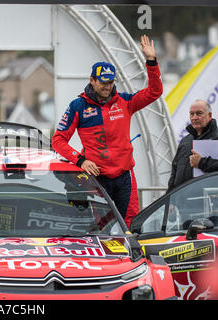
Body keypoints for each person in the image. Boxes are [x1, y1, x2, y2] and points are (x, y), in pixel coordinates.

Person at [51, 35, 163, 227]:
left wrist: (151, 62)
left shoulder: (125, 101)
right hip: (96, 179)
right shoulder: (78, 106)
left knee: (128, 225)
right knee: (99, 227)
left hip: (124, 178)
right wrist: (81, 160)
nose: (107, 86)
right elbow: (58, 140)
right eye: (103, 82)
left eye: (111, 82)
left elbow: (155, 92)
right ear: (92, 80)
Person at [168, 99, 218, 192]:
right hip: (182, 201)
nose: (194, 117)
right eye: (191, 114)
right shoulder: (185, 140)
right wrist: (170, 197)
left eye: (199, 113)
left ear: (209, 115)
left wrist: (201, 162)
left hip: (210, 201)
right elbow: (175, 170)